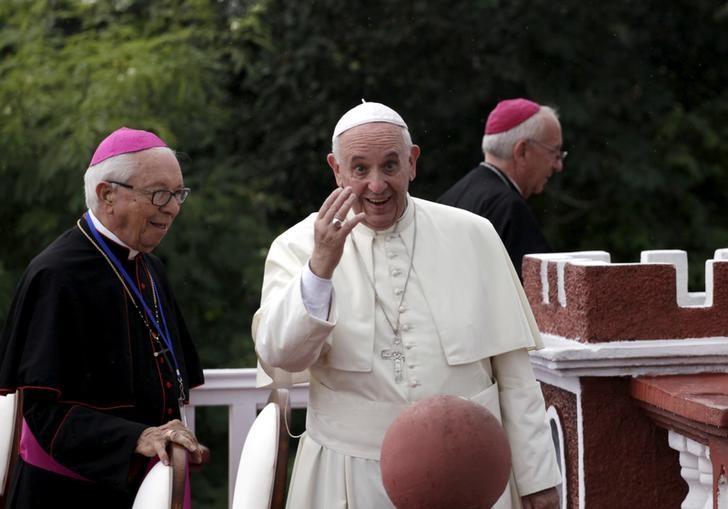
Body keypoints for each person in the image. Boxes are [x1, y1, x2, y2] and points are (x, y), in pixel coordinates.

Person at [252, 102, 561, 509]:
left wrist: (538, 481)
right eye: (360, 169)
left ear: (412, 162)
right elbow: (282, 357)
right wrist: (320, 268)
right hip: (351, 478)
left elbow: (516, 379)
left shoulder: (474, 235)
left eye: (390, 166)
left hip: (470, 476)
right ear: (336, 169)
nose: (377, 186)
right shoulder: (297, 246)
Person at [0, 127, 208, 508]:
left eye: (179, 194)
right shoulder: (56, 275)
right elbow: (44, 412)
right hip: (67, 492)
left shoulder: (151, 268)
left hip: (140, 484)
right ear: (107, 194)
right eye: (159, 193)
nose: (173, 207)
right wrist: (135, 438)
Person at [438, 98, 566, 280]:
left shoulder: (451, 196)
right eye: (554, 152)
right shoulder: (509, 208)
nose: (558, 165)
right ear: (522, 151)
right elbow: (537, 294)